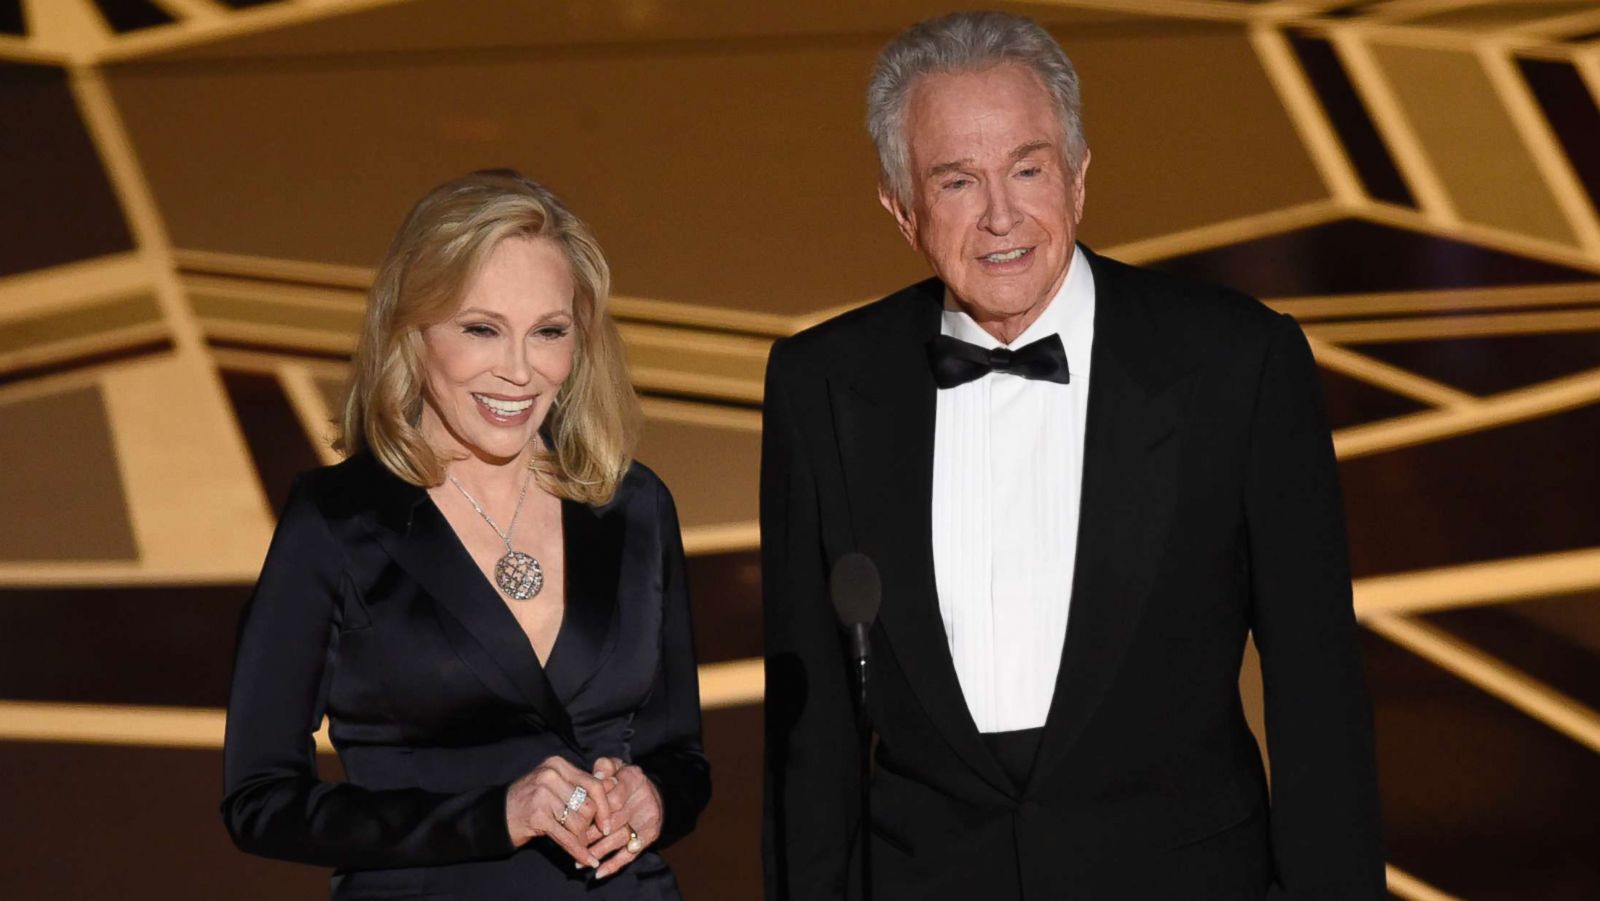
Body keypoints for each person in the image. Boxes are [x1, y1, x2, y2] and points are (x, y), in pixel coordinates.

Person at [761, 12, 1383, 901]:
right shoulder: (821, 382)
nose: (1002, 216)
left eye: (1028, 168)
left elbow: (1317, 693)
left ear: (1080, 178)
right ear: (901, 210)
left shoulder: (1236, 363)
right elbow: (807, 728)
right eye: (956, 182)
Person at [222, 170, 710, 900]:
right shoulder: (337, 521)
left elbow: (681, 755)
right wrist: (492, 815)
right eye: (481, 329)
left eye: (549, 332)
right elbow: (259, 799)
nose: (518, 372)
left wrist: (656, 798)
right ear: (411, 331)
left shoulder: (634, 504)